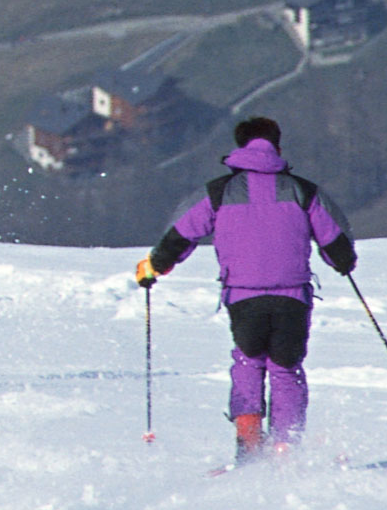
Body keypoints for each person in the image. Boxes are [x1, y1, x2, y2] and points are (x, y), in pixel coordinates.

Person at [138, 116, 358, 458]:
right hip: (293, 297)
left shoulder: (219, 191)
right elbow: (336, 242)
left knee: (248, 361)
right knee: (286, 369)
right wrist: (342, 263)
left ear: (239, 148)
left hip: (243, 297)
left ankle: (250, 443)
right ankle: (285, 448)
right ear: (278, 147)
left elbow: (181, 234)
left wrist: (155, 266)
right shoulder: (302, 190)